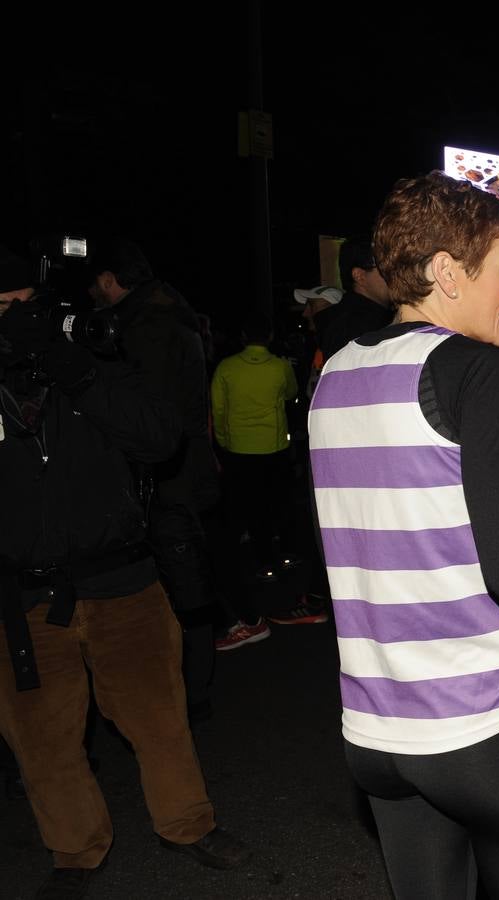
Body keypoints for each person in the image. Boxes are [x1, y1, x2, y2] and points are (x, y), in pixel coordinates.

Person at [308, 172, 499, 900]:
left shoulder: (335, 374)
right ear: (448, 273)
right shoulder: (476, 369)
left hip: (376, 730)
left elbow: (385, 525)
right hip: (485, 726)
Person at [0, 246, 250, 899]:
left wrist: (71, 366)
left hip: (123, 581)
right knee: (43, 740)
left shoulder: (95, 359)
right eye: (1, 309)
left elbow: (160, 439)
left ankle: (188, 827)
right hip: (22, 597)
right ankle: (75, 853)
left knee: (158, 717)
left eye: (25, 304)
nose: (15, 320)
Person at [87, 240, 220, 722]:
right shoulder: (166, 312)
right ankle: (187, 687)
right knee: (182, 575)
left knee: (179, 578)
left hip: (167, 475)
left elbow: (150, 415)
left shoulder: (148, 326)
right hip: (178, 470)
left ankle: (187, 693)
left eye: (94, 283)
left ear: (108, 279)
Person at [210, 313, 314, 650]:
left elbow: (218, 409)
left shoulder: (226, 367)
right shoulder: (279, 366)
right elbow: (292, 393)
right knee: (276, 504)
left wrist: (224, 442)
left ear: (243, 336)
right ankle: (277, 557)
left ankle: (256, 560)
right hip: (273, 447)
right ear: (268, 336)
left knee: (242, 506)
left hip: (238, 449)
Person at [316, 236, 393, 362]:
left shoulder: (343, 321)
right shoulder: (361, 327)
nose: (394, 273)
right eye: (384, 268)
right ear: (359, 276)